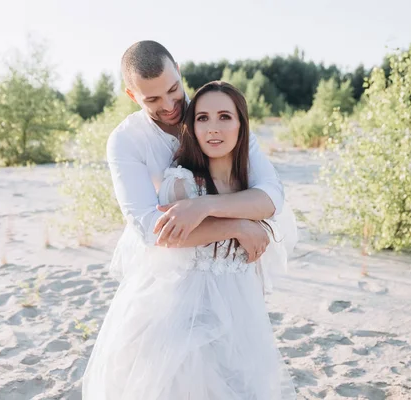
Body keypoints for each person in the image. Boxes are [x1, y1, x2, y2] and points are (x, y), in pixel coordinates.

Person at [82, 80, 296, 399]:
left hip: (241, 312)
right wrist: (238, 225)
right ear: (192, 128)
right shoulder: (180, 183)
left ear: (241, 124)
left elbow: (272, 199)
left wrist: (209, 207)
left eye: (225, 117)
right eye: (202, 119)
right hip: (185, 312)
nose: (213, 128)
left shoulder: (247, 180)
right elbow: (158, 233)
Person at [103, 41, 296, 283]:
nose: (169, 105)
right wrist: (235, 227)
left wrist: (205, 206)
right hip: (169, 272)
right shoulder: (125, 141)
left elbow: (272, 194)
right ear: (132, 95)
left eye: (173, 89)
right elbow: (149, 228)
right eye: (153, 99)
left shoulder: (216, 113)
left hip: (231, 269)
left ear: (178, 71)